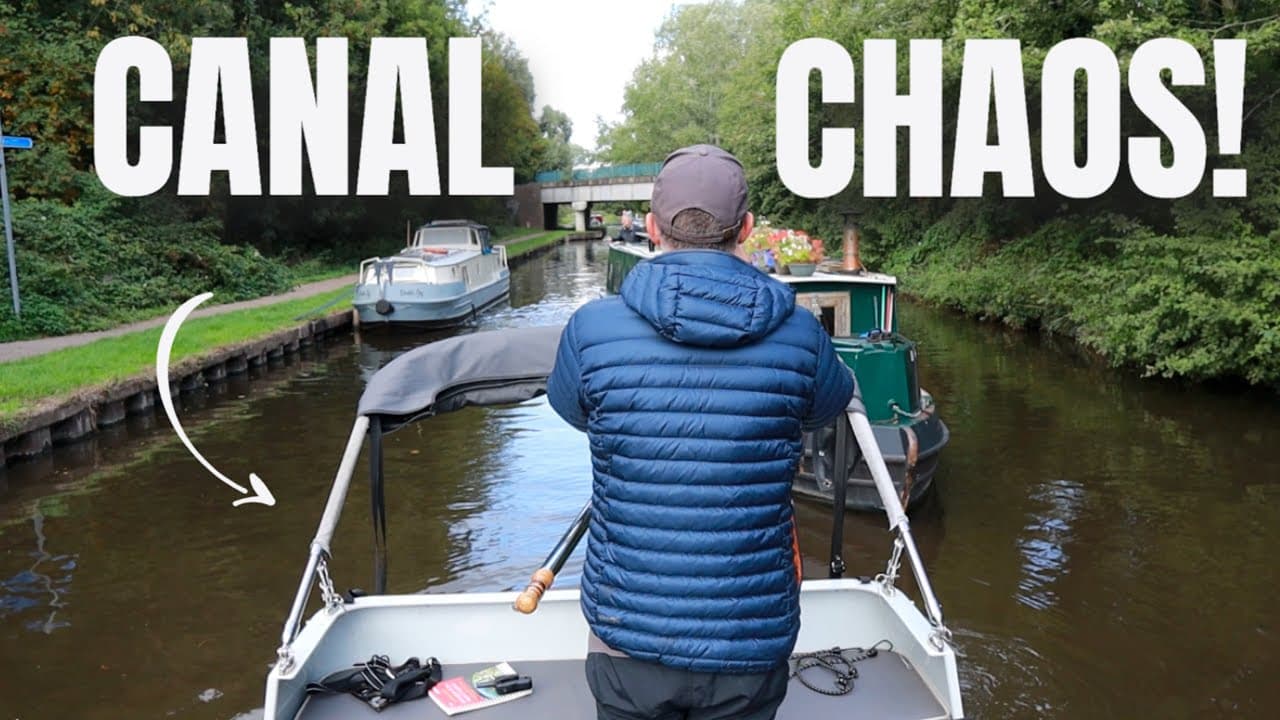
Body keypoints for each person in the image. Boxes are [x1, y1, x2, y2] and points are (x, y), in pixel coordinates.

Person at [547, 144, 856, 720]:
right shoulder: (799, 332)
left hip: (626, 634)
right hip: (750, 640)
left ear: (650, 228)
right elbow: (826, 406)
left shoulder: (591, 329)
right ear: (746, 228)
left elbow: (573, 410)